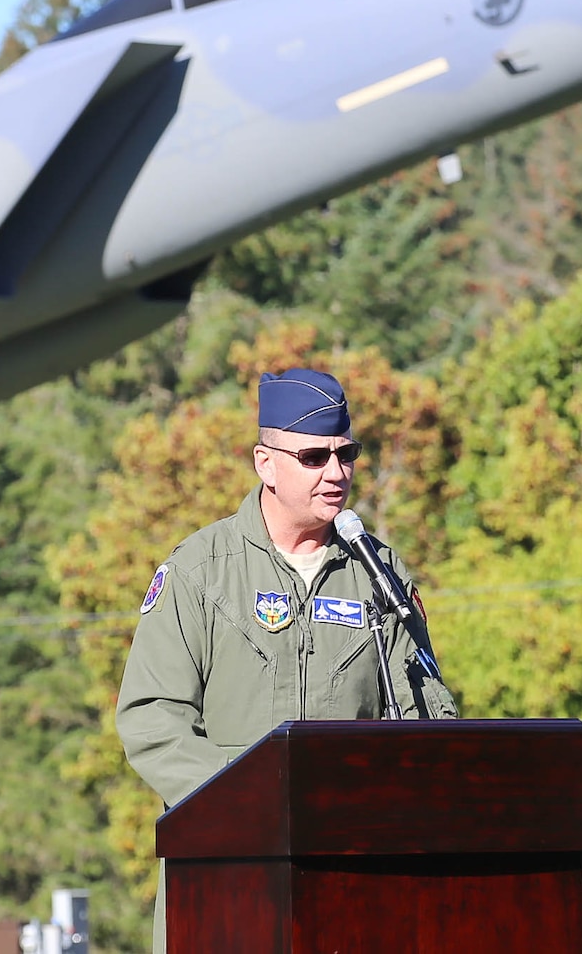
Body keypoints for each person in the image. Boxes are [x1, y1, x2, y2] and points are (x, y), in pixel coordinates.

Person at [115, 367, 457, 952]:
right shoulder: (202, 569)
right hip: (228, 875)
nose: (336, 472)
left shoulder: (379, 574)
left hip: (352, 879)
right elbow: (151, 719)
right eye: (314, 457)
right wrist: (254, 806)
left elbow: (432, 717)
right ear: (265, 463)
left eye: (346, 454)